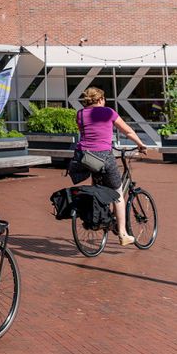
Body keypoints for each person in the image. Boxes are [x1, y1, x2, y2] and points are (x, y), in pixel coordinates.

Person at [73, 87, 148, 246]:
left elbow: (88, 132)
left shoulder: (79, 114)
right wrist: (141, 145)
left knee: (98, 187)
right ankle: (123, 234)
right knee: (117, 193)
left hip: (85, 158)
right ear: (99, 99)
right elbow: (127, 131)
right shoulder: (108, 112)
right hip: (103, 156)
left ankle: (100, 217)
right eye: (104, 98)